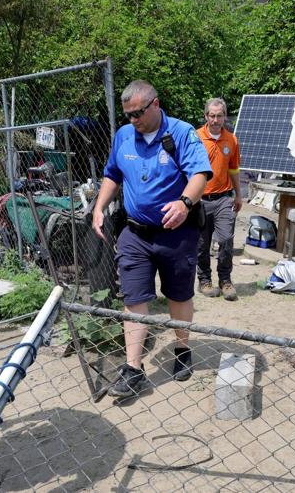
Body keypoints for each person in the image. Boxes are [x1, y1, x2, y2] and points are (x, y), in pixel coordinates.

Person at [92, 80, 212, 397]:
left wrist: (185, 203)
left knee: (179, 296)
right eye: (128, 114)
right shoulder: (123, 136)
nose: (133, 120)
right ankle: (134, 369)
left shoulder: (182, 133)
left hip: (177, 234)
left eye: (138, 113)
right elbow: (112, 174)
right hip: (135, 233)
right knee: (133, 299)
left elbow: (200, 174)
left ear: (155, 104)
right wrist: (99, 207)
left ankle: (183, 349)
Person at [196, 98, 242, 301]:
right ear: (206, 116)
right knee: (201, 244)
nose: (215, 119)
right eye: (211, 115)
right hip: (200, 200)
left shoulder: (232, 140)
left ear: (225, 116)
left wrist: (239, 195)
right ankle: (204, 280)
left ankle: (225, 280)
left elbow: (234, 170)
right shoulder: (195, 138)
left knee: (225, 240)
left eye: (219, 115)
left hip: (224, 198)